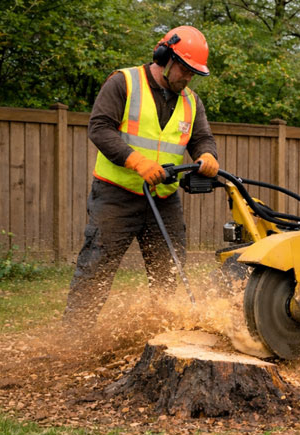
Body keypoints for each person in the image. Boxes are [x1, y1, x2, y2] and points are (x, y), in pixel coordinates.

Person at [62, 25, 220, 331]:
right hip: (116, 195)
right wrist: (136, 161)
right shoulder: (124, 83)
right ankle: (73, 336)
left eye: (194, 73)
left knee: (168, 272)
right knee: (96, 268)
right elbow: (99, 128)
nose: (188, 78)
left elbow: (202, 138)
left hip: (163, 199)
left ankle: (160, 334)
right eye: (184, 69)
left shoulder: (191, 101)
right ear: (164, 56)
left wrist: (208, 155)